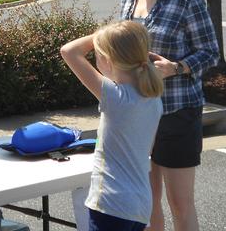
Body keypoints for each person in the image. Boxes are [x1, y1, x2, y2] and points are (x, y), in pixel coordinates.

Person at [119, 0, 219, 231]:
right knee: (146, 201)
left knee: (180, 204)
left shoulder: (186, 0)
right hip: (138, 113)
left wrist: (175, 67)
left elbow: (209, 52)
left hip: (177, 113)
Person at [61, 21, 164, 231]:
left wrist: (101, 34)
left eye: (98, 54)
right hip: (140, 204)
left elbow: (69, 51)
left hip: (110, 203)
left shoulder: (116, 97)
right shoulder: (153, 98)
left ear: (107, 59)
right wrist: (115, 38)